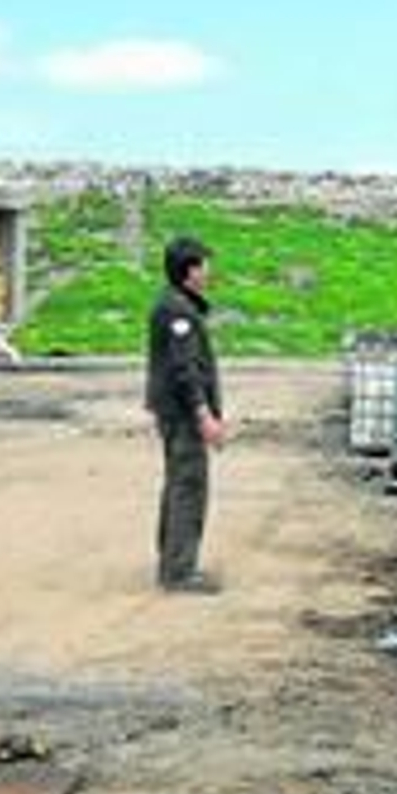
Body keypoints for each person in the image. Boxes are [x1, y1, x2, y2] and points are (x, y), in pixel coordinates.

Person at [145, 236, 226, 594]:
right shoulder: (178, 311)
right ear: (189, 270)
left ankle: (171, 562)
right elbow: (185, 370)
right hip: (182, 414)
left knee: (179, 483)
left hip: (175, 412)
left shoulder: (176, 305)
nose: (209, 272)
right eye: (204, 265)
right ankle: (179, 572)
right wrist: (204, 415)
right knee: (188, 486)